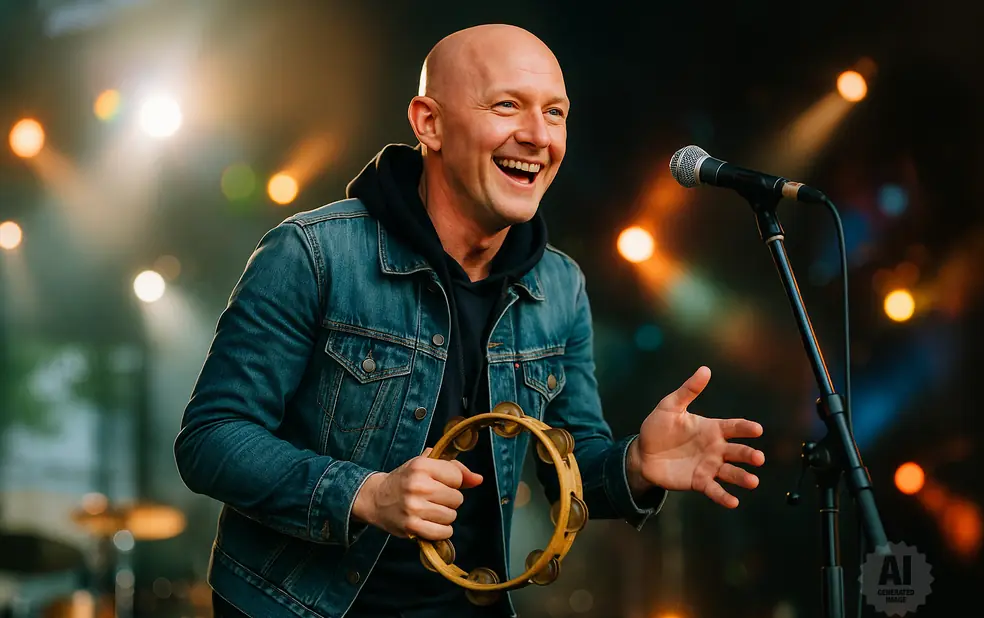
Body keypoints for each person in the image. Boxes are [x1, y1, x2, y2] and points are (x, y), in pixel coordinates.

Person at [174, 23, 766, 618]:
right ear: (428, 122)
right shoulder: (312, 254)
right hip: (298, 604)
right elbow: (211, 438)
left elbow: (572, 460)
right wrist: (366, 494)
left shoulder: (561, 286)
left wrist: (634, 466)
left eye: (555, 113)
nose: (537, 136)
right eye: (507, 105)